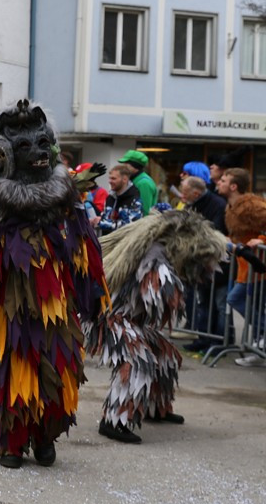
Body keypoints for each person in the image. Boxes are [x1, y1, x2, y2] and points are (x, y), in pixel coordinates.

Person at [0, 100, 107, 469]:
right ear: (2, 153)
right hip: (10, 303)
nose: (37, 153)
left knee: (59, 365)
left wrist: (94, 292)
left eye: (41, 144)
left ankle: (45, 436)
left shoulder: (64, 196)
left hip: (57, 299)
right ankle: (10, 440)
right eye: (25, 147)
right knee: (12, 366)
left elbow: (84, 246)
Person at [86, 212, 228, 444]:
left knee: (165, 355)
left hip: (130, 320)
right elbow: (156, 292)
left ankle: (155, 408)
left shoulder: (164, 251)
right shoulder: (155, 256)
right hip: (108, 318)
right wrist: (174, 292)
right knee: (137, 361)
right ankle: (114, 420)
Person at [218, 168, 266, 364]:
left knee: (235, 298)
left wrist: (262, 239)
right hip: (245, 267)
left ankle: (261, 337)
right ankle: (258, 348)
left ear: (233, 186)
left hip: (260, 267)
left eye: (223, 180)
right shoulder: (230, 206)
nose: (218, 182)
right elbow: (240, 236)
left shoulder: (253, 205)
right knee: (250, 304)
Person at [175, 176, 230, 350]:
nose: (182, 196)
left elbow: (215, 229)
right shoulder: (192, 203)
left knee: (220, 304)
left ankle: (219, 341)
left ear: (196, 193)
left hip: (217, 261)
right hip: (199, 261)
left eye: (184, 192)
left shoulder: (217, 204)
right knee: (203, 301)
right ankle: (203, 339)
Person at [94, 164, 142, 235]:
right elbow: (104, 218)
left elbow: (132, 225)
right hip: (107, 242)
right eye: (110, 178)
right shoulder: (110, 198)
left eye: (113, 179)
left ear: (125, 179)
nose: (109, 181)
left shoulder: (134, 199)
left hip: (125, 244)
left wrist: (104, 223)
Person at [117, 150, 157, 214]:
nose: (123, 166)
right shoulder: (134, 179)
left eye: (126, 163)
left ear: (135, 165)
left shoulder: (144, 183)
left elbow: (144, 211)